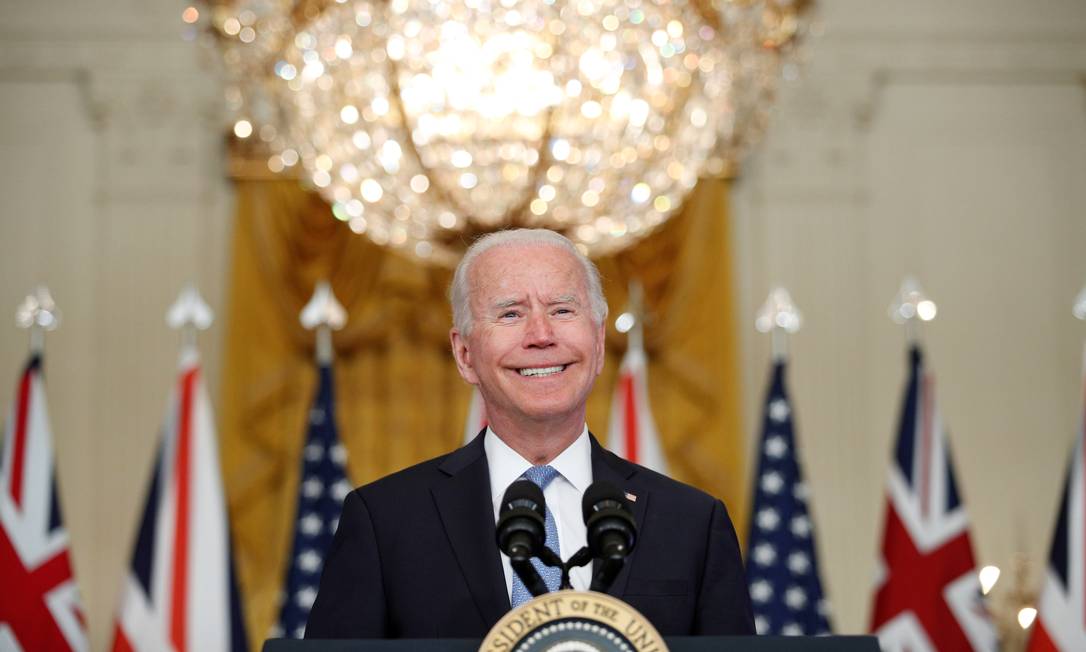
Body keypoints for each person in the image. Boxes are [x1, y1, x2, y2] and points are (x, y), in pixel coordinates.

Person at [305, 229, 754, 638]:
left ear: (598, 345)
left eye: (562, 309)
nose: (541, 335)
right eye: (510, 313)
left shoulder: (693, 522)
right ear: (464, 354)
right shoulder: (385, 522)